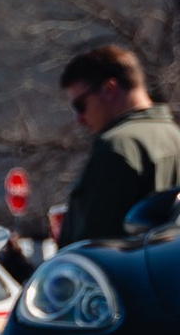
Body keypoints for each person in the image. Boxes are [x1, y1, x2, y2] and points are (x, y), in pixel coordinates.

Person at [58, 42, 180, 244]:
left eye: (80, 105)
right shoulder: (175, 135)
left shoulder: (117, 146)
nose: (79, 119)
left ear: (109, 89)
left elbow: (95, 248)